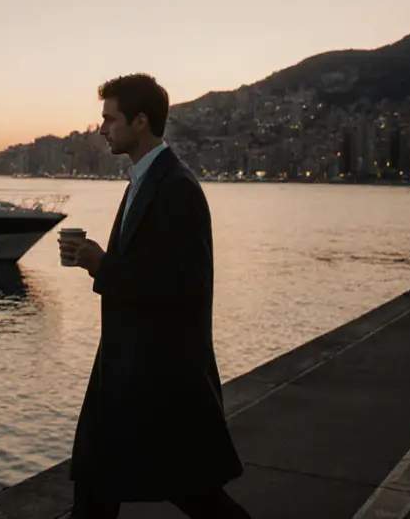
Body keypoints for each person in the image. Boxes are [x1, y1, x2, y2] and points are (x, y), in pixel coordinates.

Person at [59, 74, 249, 519]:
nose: (102, 128)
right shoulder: (143, 181)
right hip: (128, 368)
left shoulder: (176, 187)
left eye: (110, 118)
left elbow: (187, 286)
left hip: (159, 376)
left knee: (196, 494)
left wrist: (102, 265)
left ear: (140, 121)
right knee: (95, 486)